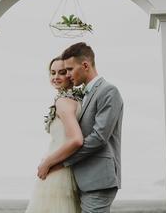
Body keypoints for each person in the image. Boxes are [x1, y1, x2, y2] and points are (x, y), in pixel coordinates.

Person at [39, 42, 124, 213]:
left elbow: (99, 138)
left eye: (69, 69)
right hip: (84, 178)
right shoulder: (84, 94)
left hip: (98, 178)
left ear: (85, 65)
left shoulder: (108, 91)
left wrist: (61, 162)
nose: (68, 75)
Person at [25, 57, 84, 213]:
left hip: (57, 171)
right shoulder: (77, 100)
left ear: (70, 75)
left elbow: (76, 140)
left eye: (62, 72)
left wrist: (47, 163)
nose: (55, 77)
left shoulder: (64, 102)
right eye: (52, 73)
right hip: (64, 167)